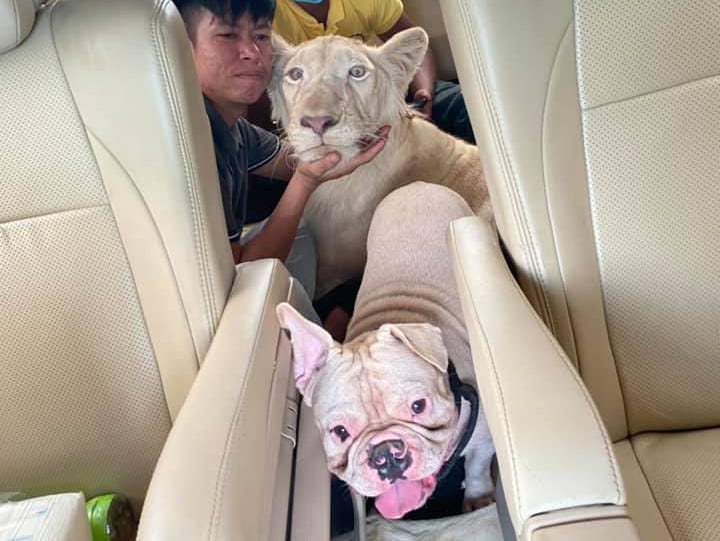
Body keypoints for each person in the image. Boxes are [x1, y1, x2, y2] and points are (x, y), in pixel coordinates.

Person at [171, 0, 388, 325]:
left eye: (260, 36)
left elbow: (289, 162)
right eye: (228, 36)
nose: (252, 52)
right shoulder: (193, 138)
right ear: (181, 49)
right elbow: (237, 279)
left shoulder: (235, 127)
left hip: (227, 277)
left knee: (324, 237)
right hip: (207, 312)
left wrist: (353, 136)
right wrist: (306, 181)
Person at [272, 0, 476, 144]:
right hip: (307, 108)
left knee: (463, 104)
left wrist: (423, 95)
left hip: (375, 90)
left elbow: (414, 47)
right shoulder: (265, 12)